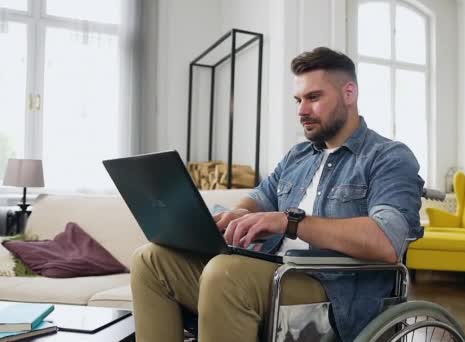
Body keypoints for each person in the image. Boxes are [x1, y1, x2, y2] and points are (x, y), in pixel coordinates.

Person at [130, 46, 424, 342]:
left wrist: (290, 222)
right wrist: (239, 215)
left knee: (226, 274)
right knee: (151, 260)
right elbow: (257, 200)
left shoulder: (388, 157)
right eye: (298, 100)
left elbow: (387, 242)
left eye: (314, 97)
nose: (301, 111)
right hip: (273, 277)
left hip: (336, 296)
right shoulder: (298, 157)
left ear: (349, 93)